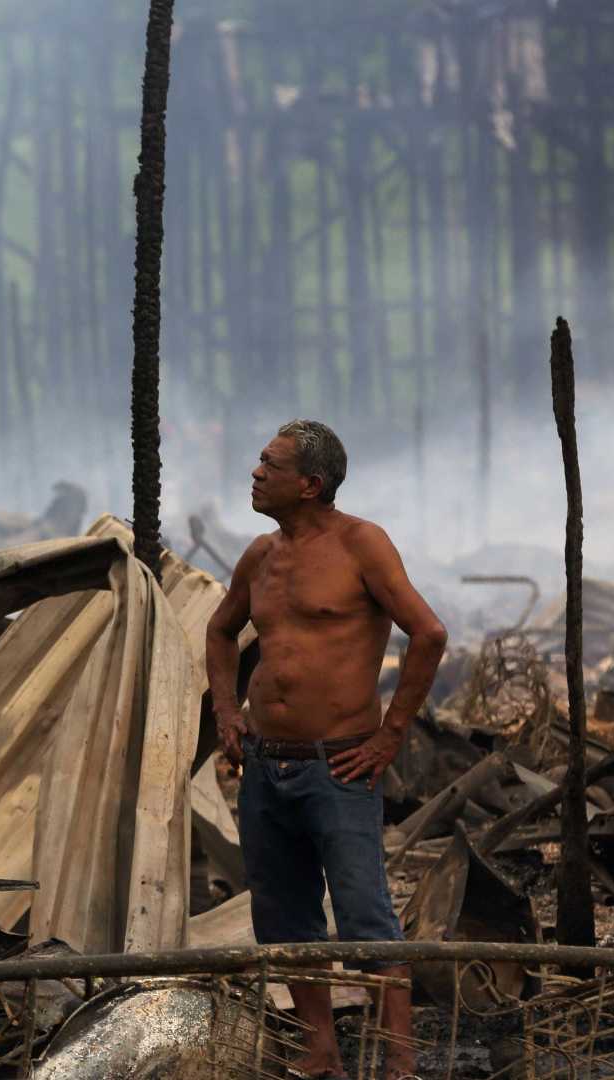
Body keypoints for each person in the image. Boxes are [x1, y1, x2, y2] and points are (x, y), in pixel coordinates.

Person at [204, 419, 448, 1080]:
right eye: (258, 461)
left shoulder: (361, 545)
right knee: (283, 918)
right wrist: (227, 711)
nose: (255, 473)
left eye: (269, 464)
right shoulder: (260, 555)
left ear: (310, 484)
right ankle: (321, 1052)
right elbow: (221, 631)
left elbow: (427, 633)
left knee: (366, 914)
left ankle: (399, 1064)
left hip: (339, 765)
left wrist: (390, 735)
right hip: (266, 766)